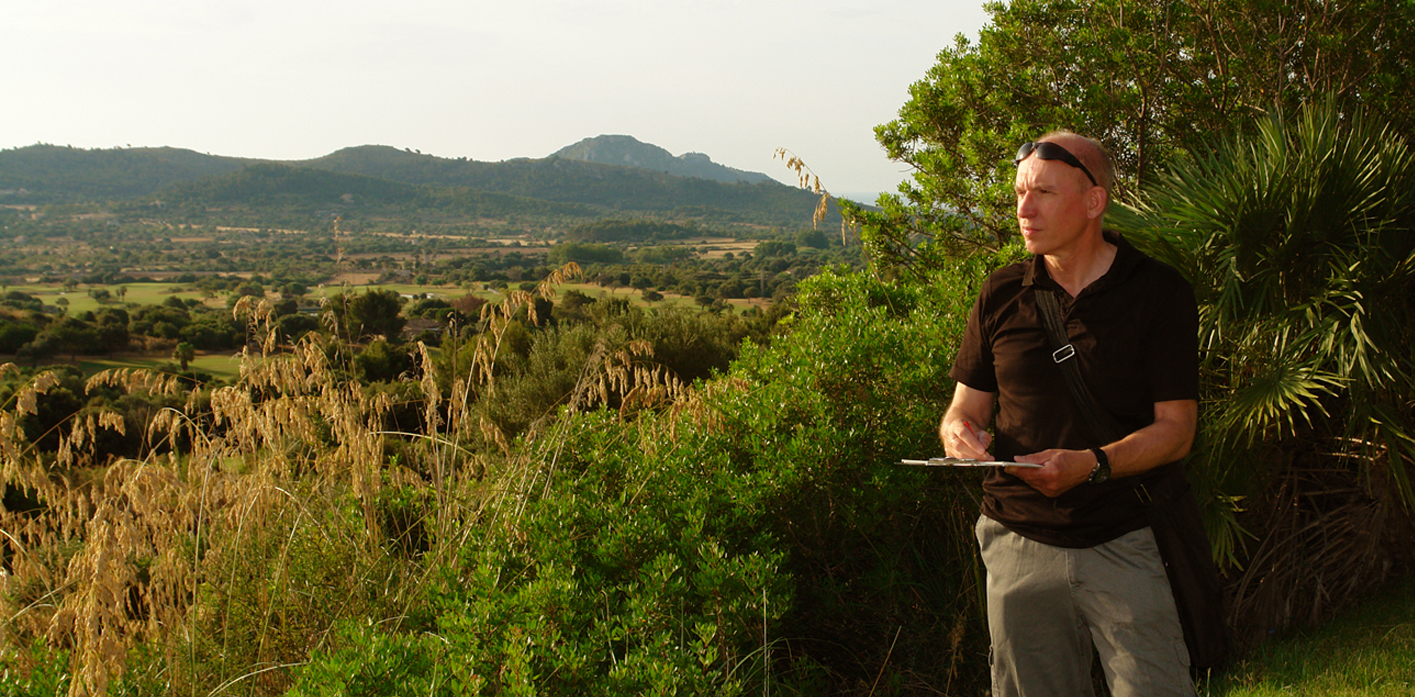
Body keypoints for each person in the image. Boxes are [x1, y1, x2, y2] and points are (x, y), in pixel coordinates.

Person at [940, 131, 1201, 696]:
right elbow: (964, 409)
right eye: (1018, 193)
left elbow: (1177, 432)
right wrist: (959, 434)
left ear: (1093, 202)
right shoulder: (1001, 292)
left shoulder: (1158, 292)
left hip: (1126, 538)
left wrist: (1092, 463)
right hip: (1016, 542)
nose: (1023, 210)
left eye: (1043, 194)